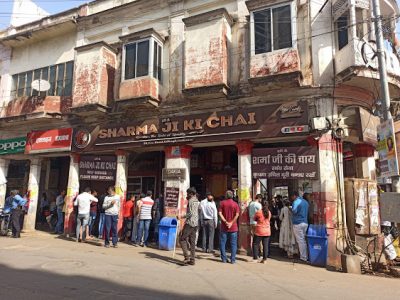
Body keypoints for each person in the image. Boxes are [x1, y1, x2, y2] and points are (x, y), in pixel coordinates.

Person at [179, 187, 200, 265]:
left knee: (182, 239)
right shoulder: (197, 200)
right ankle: (192, 259)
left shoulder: (191, 201)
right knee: (192, 242)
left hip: (190, 223)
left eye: (188, 193)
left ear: (191, 194)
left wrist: (181, 216)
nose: (187, 195)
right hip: (195, 223)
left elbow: (190, 213)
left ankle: (186, 257)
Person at [219, 190, 240, 264]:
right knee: (233, 244)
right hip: (233, 227)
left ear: (226, 195)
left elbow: (220, 213)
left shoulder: (222, 203)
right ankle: (233, 260)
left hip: (224, 227)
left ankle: (224, 259)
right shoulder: (235, 204)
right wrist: (231, 223)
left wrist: (225, 221)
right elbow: (237, 215)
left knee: (222, 243)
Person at [251, 199, 271, 264]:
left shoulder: (259, 212)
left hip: (259, 230)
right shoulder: (269, 212)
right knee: (265, 245)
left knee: (255, 244)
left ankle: (255, 258)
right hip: (267, 230)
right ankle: (264, 259)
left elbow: (255, 219)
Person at [291, 191, 309, 262]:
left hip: (298, 223)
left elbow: (294, 211)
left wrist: (290, 209)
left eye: (292, 197)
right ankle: (305, 255)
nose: (291, 198)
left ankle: (303, 257)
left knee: (300, 241)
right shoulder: (305, 202)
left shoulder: (295, 202)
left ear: (294, 196)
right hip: (305, 222)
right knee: (304, 240)